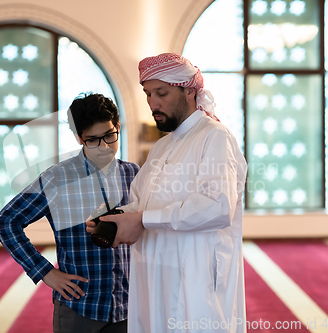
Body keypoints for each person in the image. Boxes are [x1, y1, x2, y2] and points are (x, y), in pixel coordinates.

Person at [87, 53, 247, 332]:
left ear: (188, 91)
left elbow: (218, 206)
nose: (153, 103)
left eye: (161, 93)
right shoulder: (162, 147)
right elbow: (140, 202)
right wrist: (115, 218)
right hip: (154, 273)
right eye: (148, 94)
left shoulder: (214, 136)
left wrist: (143, 220)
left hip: (195, 276)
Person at [0, 93, 140, 333]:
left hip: (128, 307)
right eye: (92, 140)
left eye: (109, 136)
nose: (104, 147)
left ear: (118, 127)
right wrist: (46, 272)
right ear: (79, 138)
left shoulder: (134, 175)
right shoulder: (57, 179)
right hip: (79, 307)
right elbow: (6, 222)